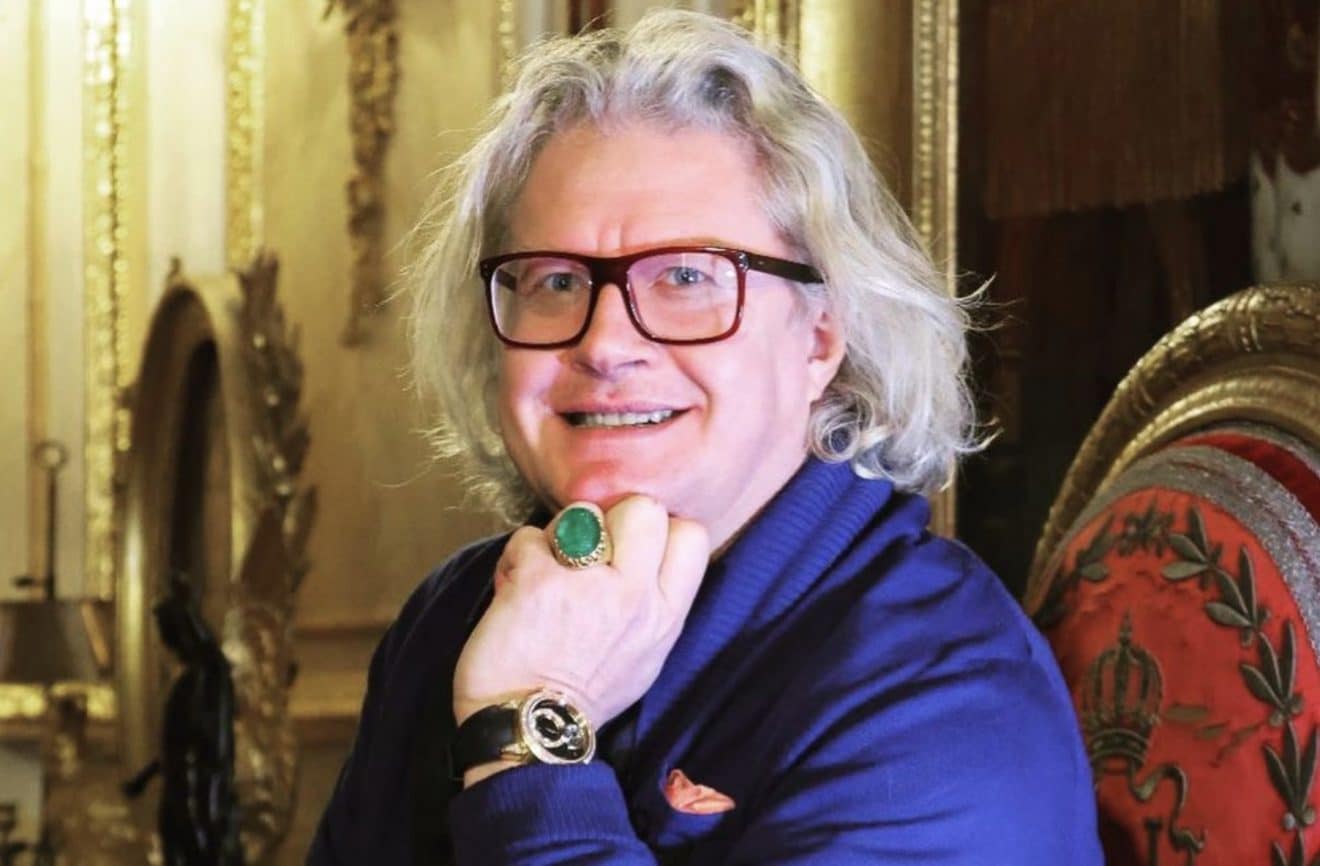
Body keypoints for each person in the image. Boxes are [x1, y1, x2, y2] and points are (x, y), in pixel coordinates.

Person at [309, 9, 1102, 864]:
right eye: (554, 281)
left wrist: (529, 728)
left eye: (687, 277)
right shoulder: (451, 616)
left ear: (820, 339)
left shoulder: (947, 697)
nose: (604, 344)